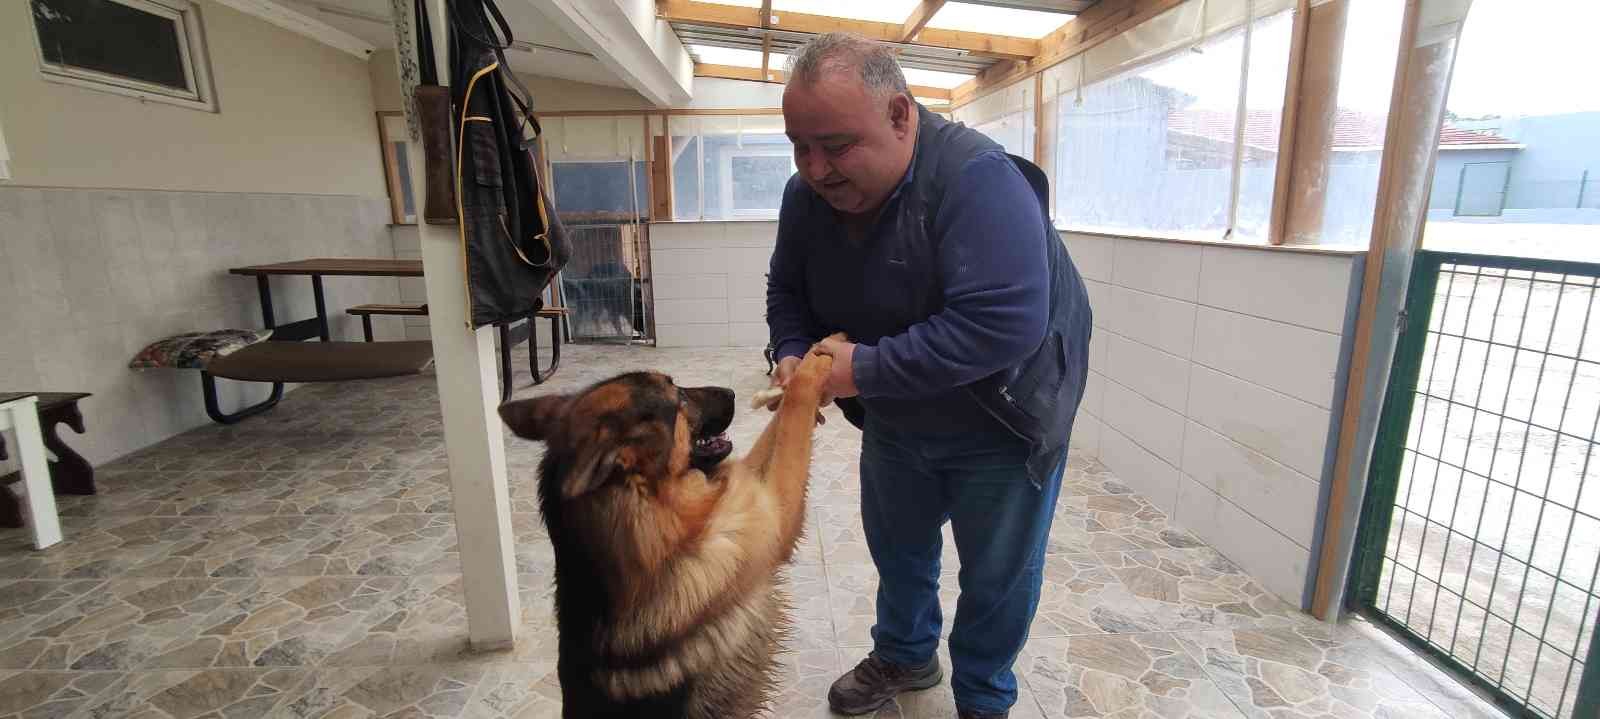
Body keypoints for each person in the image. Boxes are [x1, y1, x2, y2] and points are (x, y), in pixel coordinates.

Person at [766, 33, 1093, 719]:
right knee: (900, 544)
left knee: (997, 575)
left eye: (836, 144)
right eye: (800, 145)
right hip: (899, 411)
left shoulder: (979, 180)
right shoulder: (806, 197)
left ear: (900, 116)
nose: (816, 167)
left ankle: (982, 697)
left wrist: (869, 366)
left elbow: (1002, 326)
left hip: (1004, 415)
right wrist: (791, 350)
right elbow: (787, 291)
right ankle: (908, 651)